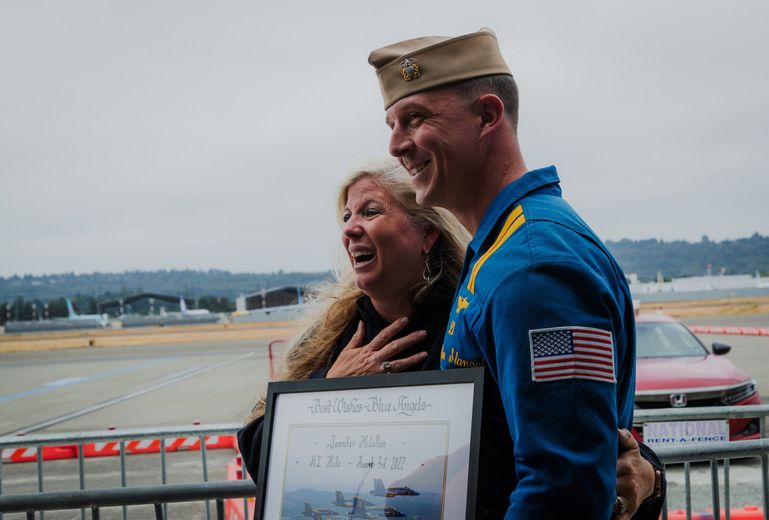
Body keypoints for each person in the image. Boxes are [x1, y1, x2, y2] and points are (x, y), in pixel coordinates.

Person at [237, 160, 664, 519]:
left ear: (427, 233)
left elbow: (571, 447)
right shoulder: (330, 335)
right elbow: (257, 447)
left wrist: (648, 476)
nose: (350, 229)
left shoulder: (474, 319)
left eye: (370, 212)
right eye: (346, 216)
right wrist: (330, 389)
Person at [368, 28, 662, 518]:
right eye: (392, 123)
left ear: (487, 116)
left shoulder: (533, 266)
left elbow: (562, 490)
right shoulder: (499, 248)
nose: (396, 145)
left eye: (414, 119)